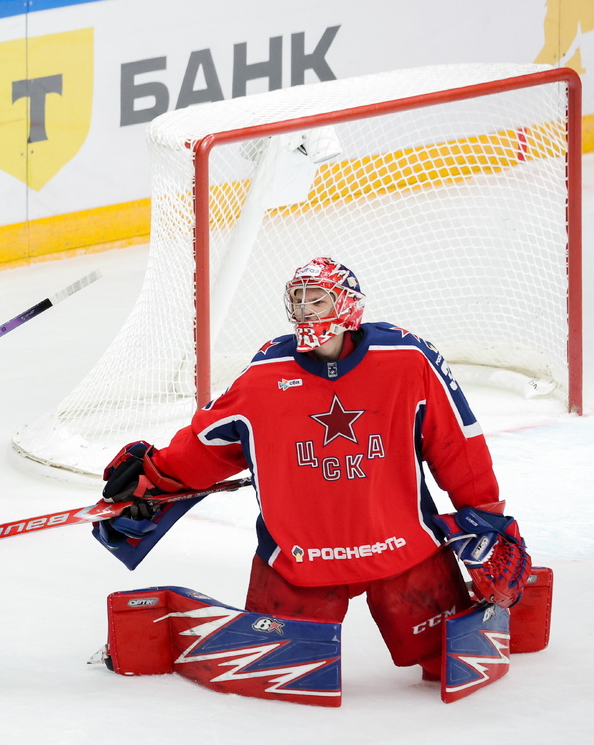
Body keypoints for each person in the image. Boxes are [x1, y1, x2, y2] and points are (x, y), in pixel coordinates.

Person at [93, 256, 531, 681]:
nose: (305, 310)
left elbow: (458, 444)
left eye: (317, 300)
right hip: (299, 560)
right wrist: (154, 478)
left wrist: (486, 517)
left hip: (404, 553)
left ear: (347, 304)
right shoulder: (265, 375)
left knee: (445, 665)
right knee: (280, 679)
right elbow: (206, 445)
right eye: (298, 300)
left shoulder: (407, 359)